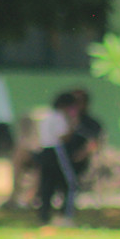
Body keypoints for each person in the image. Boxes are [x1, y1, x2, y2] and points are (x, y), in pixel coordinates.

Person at [37, 91, 80, 226]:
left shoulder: (46, 116)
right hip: (57, 151)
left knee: (47, 184)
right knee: (70, 183)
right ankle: (65, 214)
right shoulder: (60, 118)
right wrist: (73, 126)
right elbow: (62, 136)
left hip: (45, 151)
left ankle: (44, 213)